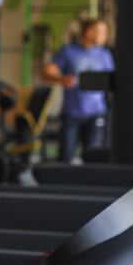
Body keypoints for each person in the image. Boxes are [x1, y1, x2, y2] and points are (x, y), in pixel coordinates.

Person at [42, 18, 115, 162]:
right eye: (102, 32)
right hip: (72, 113)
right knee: (65, 157)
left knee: (92, 158)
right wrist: (61, 79)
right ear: (89, 32)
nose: (105, 36)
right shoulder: (68, 51)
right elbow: (47, 72)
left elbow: (111, 81)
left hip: (96, 113)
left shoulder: (104, 54)